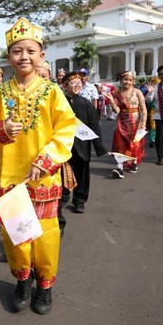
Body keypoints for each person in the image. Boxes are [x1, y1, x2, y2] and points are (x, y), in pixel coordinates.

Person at [0, 17, 76, 315]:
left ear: (41, 56)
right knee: (16, 236)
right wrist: (1, 129)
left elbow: (66, 128)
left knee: (45, 236)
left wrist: (47, 159)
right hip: (10, 177)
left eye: (30, 51)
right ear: (9, 57)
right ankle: (22, 279)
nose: (24, 57)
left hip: (43, 178)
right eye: (17, 51)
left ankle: (44, 284)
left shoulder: (53, 92)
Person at [58, 71, 106, 225]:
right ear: (65, 86)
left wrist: (99, 147)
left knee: (83, 174)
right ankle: (63, 197)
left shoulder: (86, 104)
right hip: (64, 145)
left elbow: (94, 126)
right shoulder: (59, 103)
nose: (77, 85)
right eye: (73, 83)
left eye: (79, 82)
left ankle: (80, 200)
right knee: (64, 173)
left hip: (83, 146)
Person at [103, 70, 147, 177]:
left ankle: (134, 163)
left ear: (133, 81)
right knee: (120, 144)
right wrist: (112, 101)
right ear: (121, 80)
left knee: (134, 144)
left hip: (135, 122)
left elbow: (143, 109)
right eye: (125, 79)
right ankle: (119, 168)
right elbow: (117, 111)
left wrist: (143, 123)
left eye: (130, 80)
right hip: (122, 122)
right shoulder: (117, 93)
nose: (127, 82)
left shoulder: (137, 92)